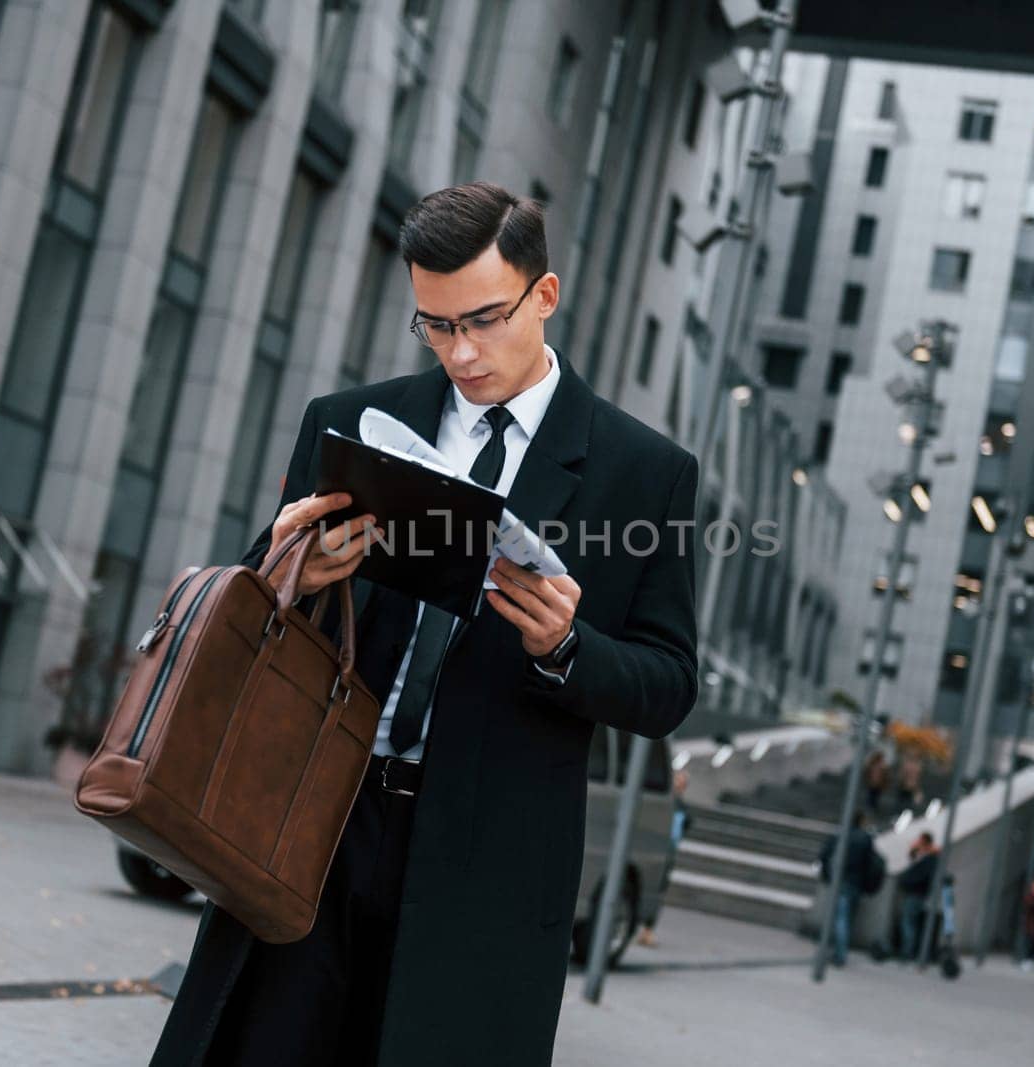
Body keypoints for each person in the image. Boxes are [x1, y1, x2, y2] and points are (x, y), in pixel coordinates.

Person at [151, 183, 700, 1067]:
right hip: (312, 821)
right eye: (436, 325)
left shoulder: (646, 474)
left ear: (545, 296)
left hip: (486, 868)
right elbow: (255, 607)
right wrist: (287, 571)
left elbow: (671, 681)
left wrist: (568, 646)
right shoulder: (350, 422)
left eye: (483, 319)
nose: (463, 350)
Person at [638, 767, 690, 948]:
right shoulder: (665, 802)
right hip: (655, 847)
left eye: (682, 782)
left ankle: (647, 930)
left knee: (658, 889)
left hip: (668, 852)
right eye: (678, 780)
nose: (679, 784)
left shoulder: (682, 807)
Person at [819, 811, 879, 966]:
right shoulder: (865, 839)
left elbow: (825, 855)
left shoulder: (841, 835)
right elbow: (870, 864)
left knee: (840, 918)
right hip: (855, 883)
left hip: (841, 881)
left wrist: (827, 875)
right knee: (846, 919)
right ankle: (839, 952)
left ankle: (838, 953)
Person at [896, 831, 940, 962]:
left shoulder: (929, 859)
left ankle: (907, 952)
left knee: (908, 923)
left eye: (920, 840)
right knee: (911, 923)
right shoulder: (926, 857)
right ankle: (909, 950)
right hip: (918, 894)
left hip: (916, 894)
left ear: (925, 842)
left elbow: (918, 876)